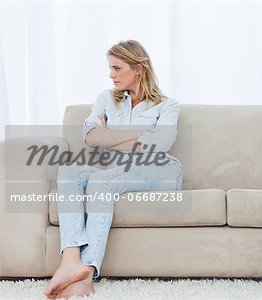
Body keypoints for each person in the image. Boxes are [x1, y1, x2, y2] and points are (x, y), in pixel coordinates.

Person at [44, 40, 183, 299]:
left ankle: (86, 271)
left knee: (100, 181)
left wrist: (110, 134)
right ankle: (71, 259)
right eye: (110, 68)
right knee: (70, 170)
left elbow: (159, 145)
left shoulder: (167, 105)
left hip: (161, 170)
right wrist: (139, 134)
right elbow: (90, 136)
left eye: (117, 68)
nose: (111, 75)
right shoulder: (107, 99)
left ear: (139, 68)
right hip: (119, 170)